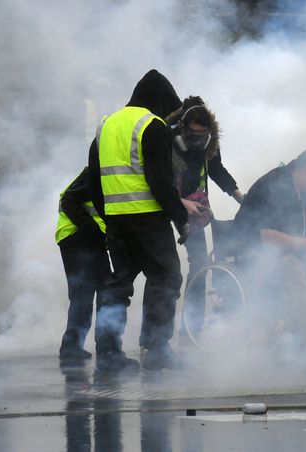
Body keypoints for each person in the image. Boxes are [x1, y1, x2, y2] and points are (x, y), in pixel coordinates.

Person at [87, 69, 189, 373]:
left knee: (118, 283)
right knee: (166, 276)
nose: (166, 115)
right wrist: (180, 220)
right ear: (158, 101)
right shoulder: (152, 125)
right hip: (148, 219)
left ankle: (107, 352)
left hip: (117, 219)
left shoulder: (105, 125)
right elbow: (160, 181)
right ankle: (156, 350)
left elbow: (94, 179)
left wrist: (108, 218)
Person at [233, 147, 306, 370]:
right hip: (255, 254)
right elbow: (265, 236)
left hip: (294, 252)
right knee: (293, 271)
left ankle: (302, 337)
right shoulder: (273, 186)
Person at [164, 96, 244, 344]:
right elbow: (158, 181)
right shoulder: (166, 140)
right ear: (182, 130)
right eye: (194, 136)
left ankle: (190, 333)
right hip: (164, 204)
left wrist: (239, 195)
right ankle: (155, 339)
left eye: (203, 136)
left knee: (198, 264)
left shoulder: (210, 145)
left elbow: (216, 168)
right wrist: (180, 202)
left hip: (194, 208)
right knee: (163, 271)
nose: (199, 141)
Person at [55, 167, 110, 365]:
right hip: (76, 236)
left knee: (105, 288)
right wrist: (95, 232)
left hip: (90, 238)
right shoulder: (98, 171)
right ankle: (72, 347)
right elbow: (68, 200)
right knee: (83, 293)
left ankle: (78, 345)